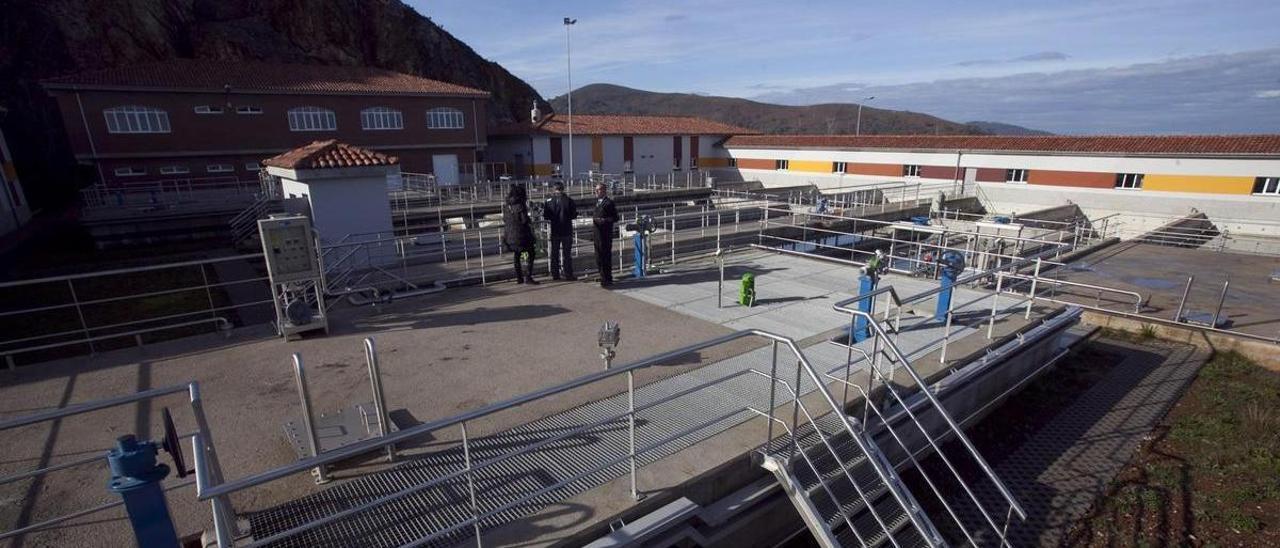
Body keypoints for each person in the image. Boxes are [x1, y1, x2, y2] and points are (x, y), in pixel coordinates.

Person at [502, 184, 538, 284]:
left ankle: (519, 278)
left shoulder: (507, 207)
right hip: (521, 236)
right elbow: (524, 220)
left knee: (517, 255)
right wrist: (530, 219)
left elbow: (505, 220)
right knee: (531, 253)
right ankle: (528, 276)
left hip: (509, 236)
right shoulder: (520, 206)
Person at [543, 181, 578, 280]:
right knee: (567, 254)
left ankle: (555, 274)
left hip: (555, 230)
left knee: (554, 254)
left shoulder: (549, 201)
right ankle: (568, 274)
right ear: (563, 189)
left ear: (554, 189)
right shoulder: (569, 200)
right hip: (566, 230)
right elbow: (574, 215)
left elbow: (546, 216)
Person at [591, 183, 619, 287]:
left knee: (605, 256)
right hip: (597, 234)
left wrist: (605, 220)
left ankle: (607, 278)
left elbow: (615, 217)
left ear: (604, 191)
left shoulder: (609, 203)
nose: (596, 192)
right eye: (596, 190)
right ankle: (602, 275)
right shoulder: (597, 202)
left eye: (598, 190)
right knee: (598, 257)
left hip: (605, 234)